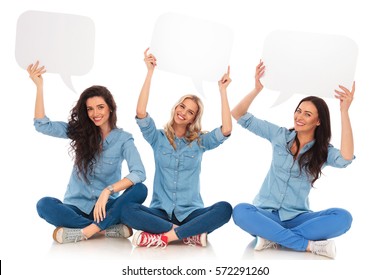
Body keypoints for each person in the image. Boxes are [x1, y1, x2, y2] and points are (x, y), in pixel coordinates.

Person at [231, 60, 355, 259]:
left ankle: (272, 239)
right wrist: (257, 89)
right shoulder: (279, 135)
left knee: (343, 217)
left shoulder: (323, 151)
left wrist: (344, 111)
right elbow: (238, 114)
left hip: (299, 218)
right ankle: (307, 246)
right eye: (298, 111)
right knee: (240, 211)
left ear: (318, 121)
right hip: (266, 216)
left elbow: (346, 158)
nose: (299, 116)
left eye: (307, 114)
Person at [120, 48, 233, 248]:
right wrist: (149, 72)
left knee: (224, 209)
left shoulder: (200, 141)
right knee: (126, 209)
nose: (183, 113)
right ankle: (189, 235)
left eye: (190, 112)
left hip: (191, 213)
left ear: (193, 119)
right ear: (176, 107)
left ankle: (164, 237)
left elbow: (226, 130)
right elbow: (140, 112)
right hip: (160, 212)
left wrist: (222, 92)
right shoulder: (157, 138)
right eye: (182, 106)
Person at [28, 61, 147, 244]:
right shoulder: (81, 132)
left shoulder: (124, 139)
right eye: (90, 109)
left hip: (105, 208)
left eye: (100, 107)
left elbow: (139, 173)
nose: (95, 113)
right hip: (75, 207)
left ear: (110, 108)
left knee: (140, 190)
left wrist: (108, 191)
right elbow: (42, 125)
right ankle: (103, 230)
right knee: (44, 205)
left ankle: (85, 231)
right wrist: (39, 86)